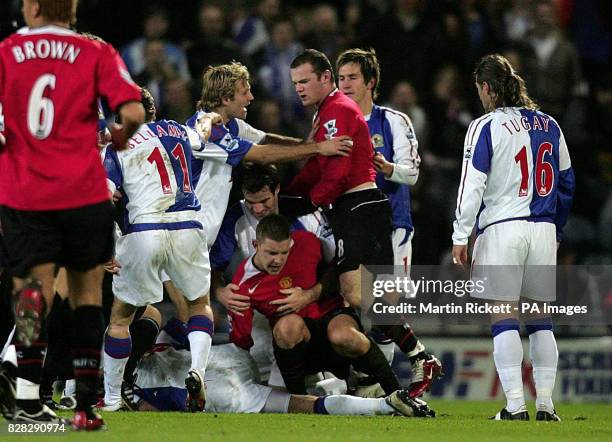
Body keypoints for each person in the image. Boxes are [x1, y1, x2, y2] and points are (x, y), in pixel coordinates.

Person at [0, 0, 144, 430]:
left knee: (32, 296)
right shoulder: (94, 52)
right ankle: (84, 406)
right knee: (86, 297)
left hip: (27, 195)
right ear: (72, 10)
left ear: (34, 7)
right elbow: (133, 111)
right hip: (83, 193)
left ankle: (27, 399)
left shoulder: (7, 50)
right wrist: (116, 138)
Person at [287, 49, 437, 398]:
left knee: (375, 298)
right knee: (357, 297)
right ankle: (390, 377)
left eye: (305, 81)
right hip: (350, 212)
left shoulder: (349, 112)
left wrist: (309, 201)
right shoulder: (327, 114)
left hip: (370, 211)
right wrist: (288, 198)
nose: (299, 89)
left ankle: (400, 370)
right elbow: (316, 167)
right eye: (295, 83)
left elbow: (339, 174)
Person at [451, 54, 575, 421]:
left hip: (503, 228)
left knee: (503, 316)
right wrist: (558, 230)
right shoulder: (550, 125)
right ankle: (547, 406)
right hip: (543, 229)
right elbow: (566, 183)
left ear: (487, 88)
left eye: (479, 89)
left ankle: (515, 406)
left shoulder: (484, 125)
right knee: (540, 319)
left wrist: (460, 234)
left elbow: (471, 185)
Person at [101, 88, 219, 413]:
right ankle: (197, 370)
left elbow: (104, 193)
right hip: (187, 227)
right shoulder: (177, 130)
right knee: (199, 305)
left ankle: (112, 398)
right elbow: (201, 136)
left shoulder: (116, 145)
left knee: (121, 318)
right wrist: (209, 117)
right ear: (152, 112)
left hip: (143, 231)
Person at [336, 48, 442, 396]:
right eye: (341, 78)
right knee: (352, 304)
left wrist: (388, 168)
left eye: (352, 77)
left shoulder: (393, 120)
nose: (345, 84)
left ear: (370, 82)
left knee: (385, 307)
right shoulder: (334, 122)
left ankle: (375, 386)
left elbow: (413, 173)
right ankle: (374, 380)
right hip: (350, 227)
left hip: (391, 225)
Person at [230, 214, 414, 409]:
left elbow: (344, 270)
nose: (279, 260)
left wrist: (309, 294)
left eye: (284, 252)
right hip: (302, 349)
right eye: (272, 253)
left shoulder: (308, 242)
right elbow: (241, 340)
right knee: (287, 327)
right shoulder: (242, 285)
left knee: (343, 334)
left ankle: (398, 395)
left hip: (332, 318)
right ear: (255, 244)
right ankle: (299, 402)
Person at [118, 306, 434, 417]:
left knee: (302, 404)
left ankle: (381, 404)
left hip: (212, 386)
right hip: (224, 361)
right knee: (302, 401)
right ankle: (380, 399)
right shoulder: (147, 341)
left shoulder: (126, 382)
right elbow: (170, 322)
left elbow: (154, 405)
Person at [185, 61, 352, 248]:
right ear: (225, 98)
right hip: (187, 228)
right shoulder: (205, 129)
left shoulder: (230, 124)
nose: (251, 97)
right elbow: (262, 155)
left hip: (200, 231)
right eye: (244, 92)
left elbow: (265, 139)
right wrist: (318, 148)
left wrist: (305, 144)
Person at [210, 163, 335, 384]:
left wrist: (309, 295)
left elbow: (339, 266)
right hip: (260, 315)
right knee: (262, 387)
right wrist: (220, 291)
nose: (257, 209)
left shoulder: (306, 214)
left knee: (306, 384)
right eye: (251, 202)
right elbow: (212, 267)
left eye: (264, 201)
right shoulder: (235, 217)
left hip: (309, 310)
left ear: (277, 189)